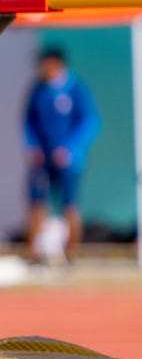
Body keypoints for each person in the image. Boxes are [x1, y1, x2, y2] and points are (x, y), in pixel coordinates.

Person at [23, 47, 100, 264]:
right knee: (37, 204)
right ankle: (34, 255)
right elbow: (29, 122)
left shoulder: (76, 89)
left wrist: (70, 148)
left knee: (70, 205)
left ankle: (71, 254)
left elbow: (89, 122)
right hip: (43, 160)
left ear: (58, 64)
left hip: (69, 161)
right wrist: (32, 146)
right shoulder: (38, 89)